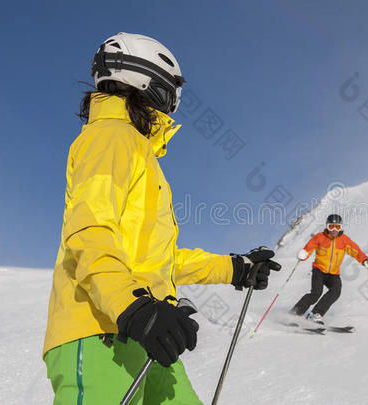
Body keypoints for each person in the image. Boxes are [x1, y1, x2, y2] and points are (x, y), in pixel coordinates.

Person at [43, 33, 281, 405]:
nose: (174, 103)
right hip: (100, 329)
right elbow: (88, 232)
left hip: (143, 328)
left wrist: (234, 267)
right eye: (173, 90)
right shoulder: (111, 136)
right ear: (150, 81)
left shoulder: (140, 154)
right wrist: (132, 308)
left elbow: (158, 260)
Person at [290, 214, 368, 324]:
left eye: (337, 227)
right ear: (327, 226)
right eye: (331, 226)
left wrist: (364, 260)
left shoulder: (344, 240)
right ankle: (296, 312)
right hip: (319, 270)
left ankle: (316, 314)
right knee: (316, 293)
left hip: (333, 273)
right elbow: (310, 246)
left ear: (341, 227)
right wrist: (304, 253)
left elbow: (356, 251)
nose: (334, 230)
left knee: (336, 291)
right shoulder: (320, 237)